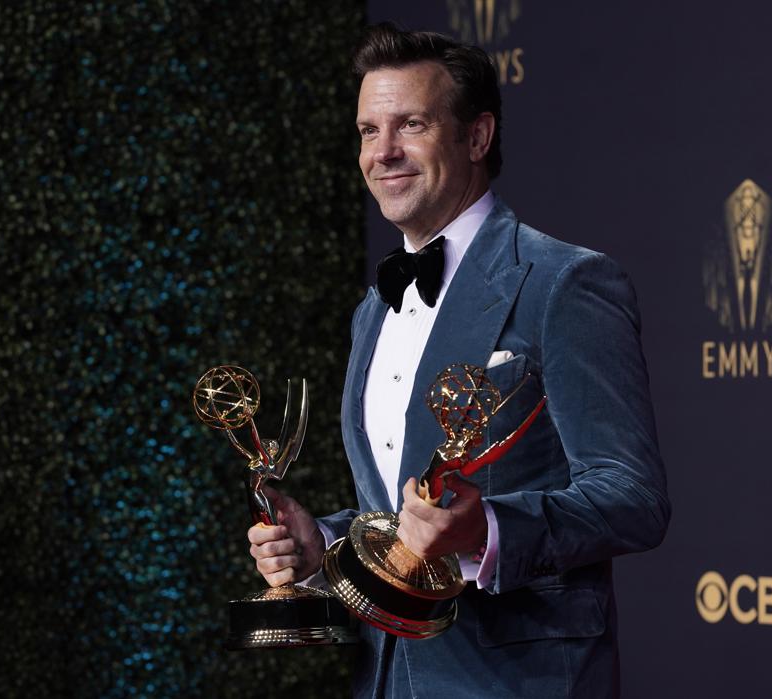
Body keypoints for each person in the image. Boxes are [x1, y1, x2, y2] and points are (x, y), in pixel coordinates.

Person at [247, 23, 670, 698]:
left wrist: (490, 529)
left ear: (476, 137)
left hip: (520, 680)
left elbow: (634, 498)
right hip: (384, 679)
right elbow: (394, 511)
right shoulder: (374, 308)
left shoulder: (564, 283)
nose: (382, 152)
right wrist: (320, 545)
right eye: (366, 130)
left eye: (410, 124)